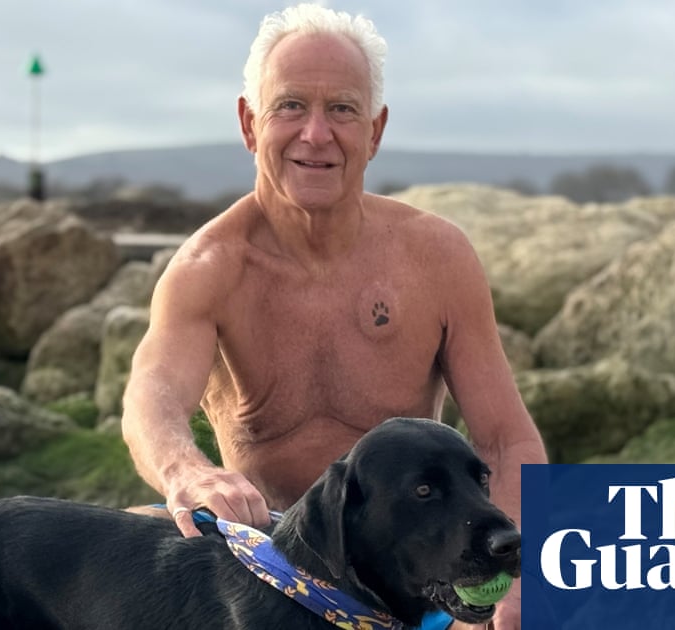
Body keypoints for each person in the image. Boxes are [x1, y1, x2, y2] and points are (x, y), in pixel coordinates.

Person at [120, 4, 546, 628]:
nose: (316, 134)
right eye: (290, 106)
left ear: (375, 130)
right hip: (266, 568)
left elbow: (507, 439)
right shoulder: (209, 269)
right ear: (249, 123)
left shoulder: (436, 257)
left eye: (342, 109)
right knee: (124, 535)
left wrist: (509, 588)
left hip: (414, 574)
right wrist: (186, 471)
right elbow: (150, 397)